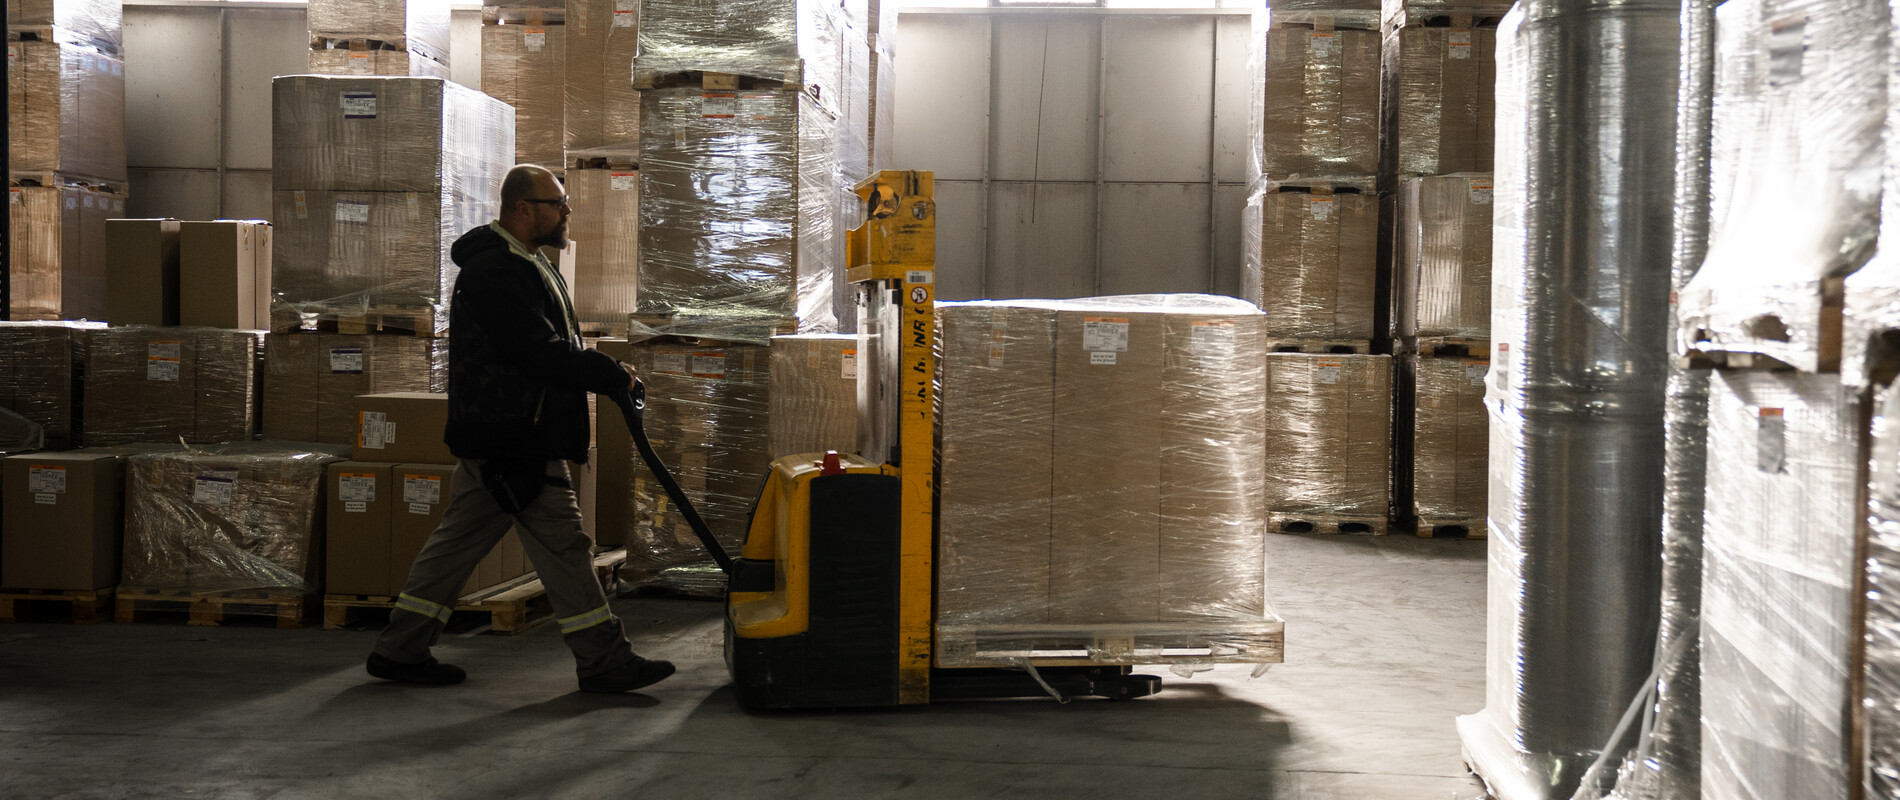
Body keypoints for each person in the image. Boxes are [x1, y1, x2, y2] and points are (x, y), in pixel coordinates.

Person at [366, 164, 675, 693]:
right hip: (516, 440)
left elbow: (551, 345)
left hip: (501, 437)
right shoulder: (495, 272)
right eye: (557, 203)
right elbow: (538, 351)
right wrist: (609, 374)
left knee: (455, 547)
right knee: (566, 549)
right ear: (523, 209)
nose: (566, 211)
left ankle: (399, 647)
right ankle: (604, 660)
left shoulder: (529, 264)